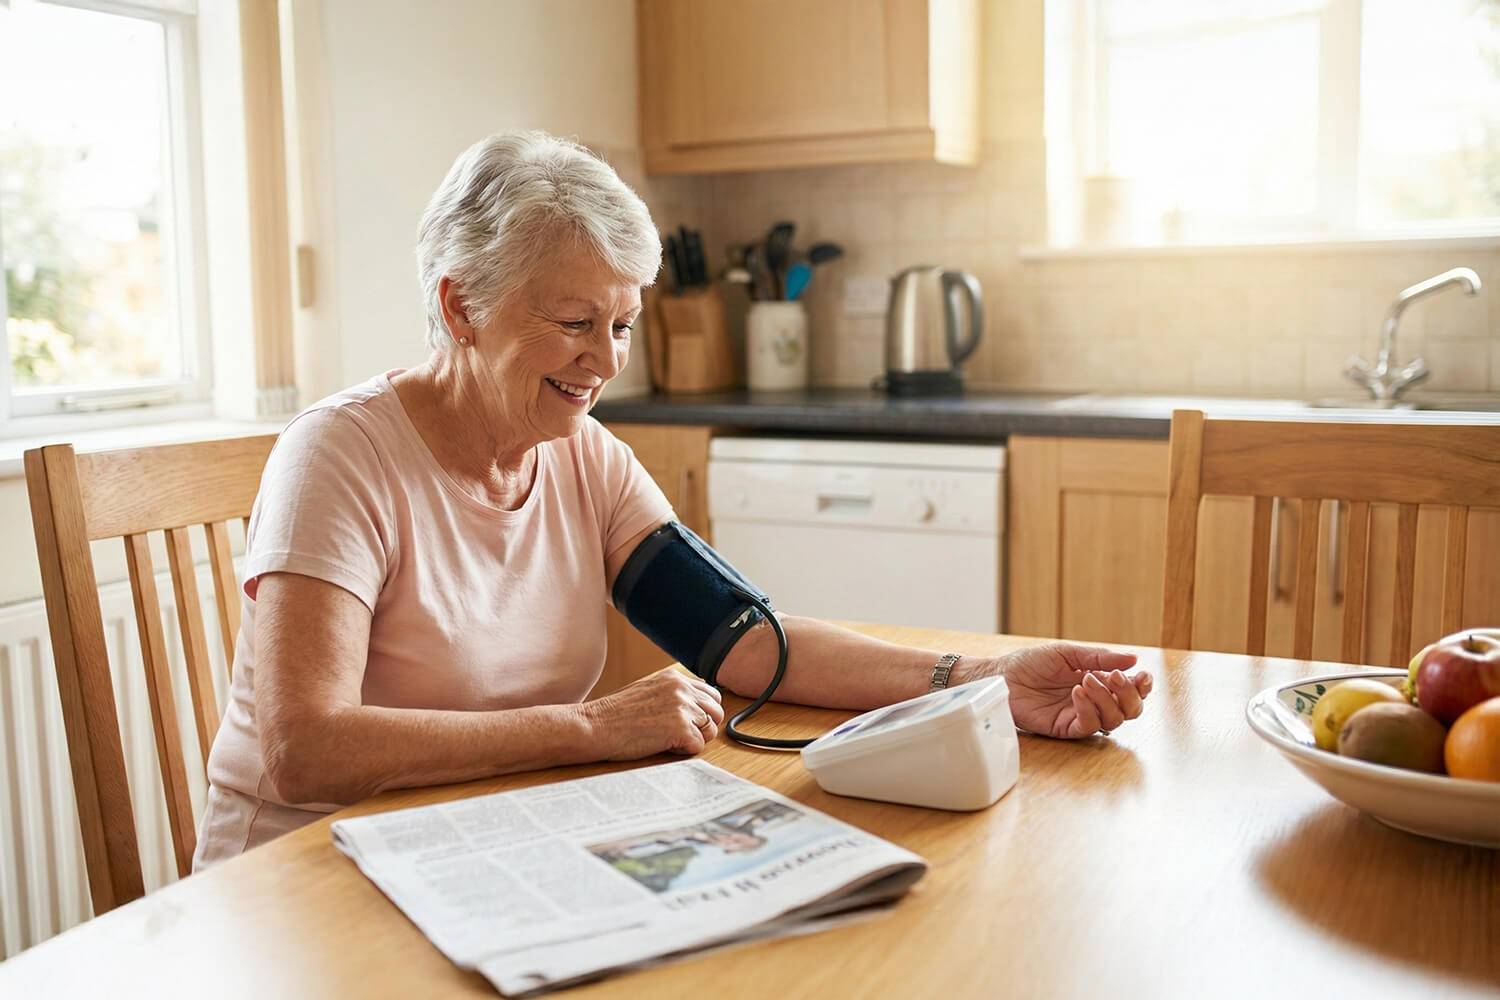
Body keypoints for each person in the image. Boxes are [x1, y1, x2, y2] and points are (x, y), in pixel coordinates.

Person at [193, 131, 1152, 869]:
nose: (605, 361)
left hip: (480, 844)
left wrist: (982, 681)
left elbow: (748, 643)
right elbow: (304, 750)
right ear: (459, 307)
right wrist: (587, 728)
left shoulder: (583, 459)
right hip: (302, 872)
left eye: (621, 324)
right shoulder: (339, 457)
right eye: (573, 322)